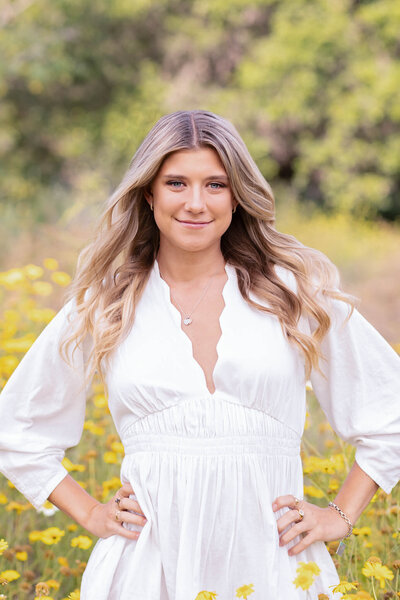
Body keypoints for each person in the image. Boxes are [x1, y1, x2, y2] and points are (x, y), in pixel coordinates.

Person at [0, 109, 399, 600]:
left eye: (215, 184)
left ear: (237, 197)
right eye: (176, 183)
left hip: (276, 569)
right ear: (149, 193)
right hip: (146, 573)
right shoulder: (108, 302)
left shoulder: (292, 293)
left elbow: (391, 408)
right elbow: (17, 427)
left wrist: (339, 516)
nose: (195, 203)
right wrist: (90, 512)